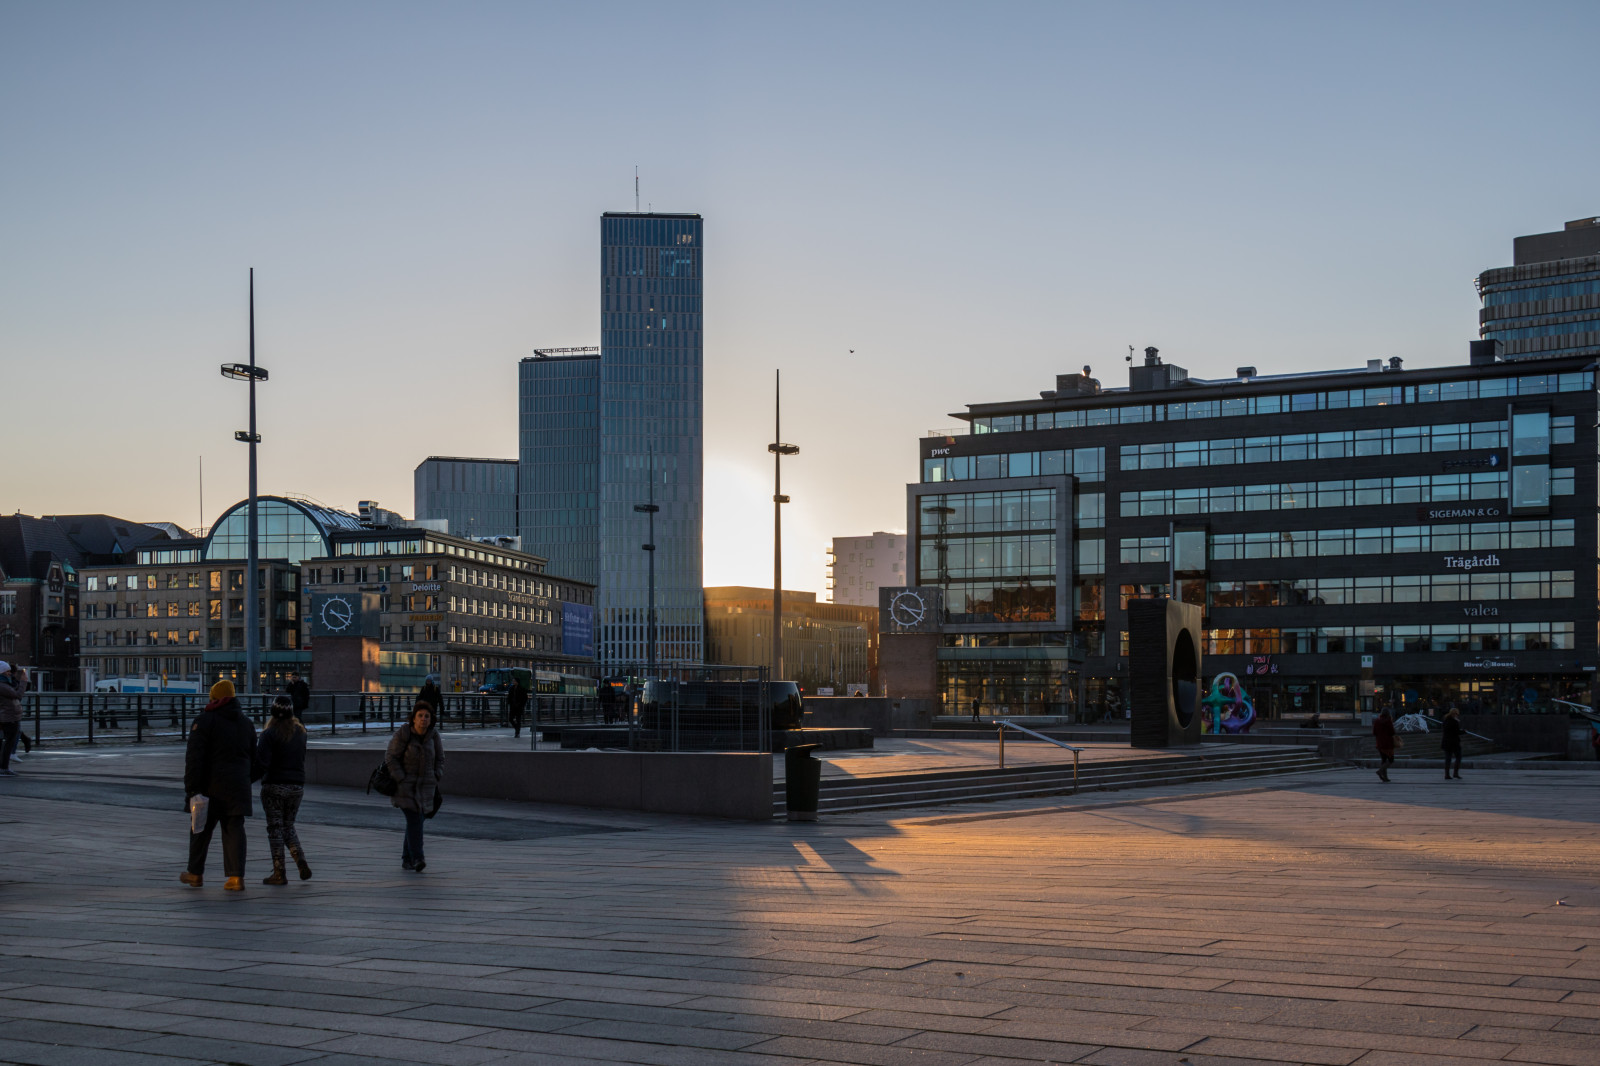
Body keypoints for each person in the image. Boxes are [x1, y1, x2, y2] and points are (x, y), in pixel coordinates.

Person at [181, 680, 260, 890]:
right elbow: (255, 758)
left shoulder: (205, 721)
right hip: (238, 786)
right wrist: (245, 779)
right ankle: (236, 878)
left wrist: (192, 789)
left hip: (210, 786)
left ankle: (195, 873)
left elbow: (194, 758)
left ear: (214, 698)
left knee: (200, 829)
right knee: (234, 830)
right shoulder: (246, 723)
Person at [256, 696, 312, 885]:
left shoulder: (268, 734)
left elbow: (262, 763)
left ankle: (279, 872)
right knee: (288, 825)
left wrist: (247, 779)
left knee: (275, 828)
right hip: (297, 786)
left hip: (274, 786)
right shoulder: (301, 733)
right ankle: (300, 859)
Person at [386, 701, 444, 872]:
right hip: (405, 788)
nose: (423, 719)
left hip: (426, 788)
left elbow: (440, 758)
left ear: (431, 719)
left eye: (427, 716)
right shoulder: (404, 734)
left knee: (416, 821)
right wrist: (400, 777)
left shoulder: (433, 736)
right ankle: (418, 857)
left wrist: (437, 774)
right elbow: (391, 757)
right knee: (414, 820)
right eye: (420, 716)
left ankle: (406, 858)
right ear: (413, 718)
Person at [0, 661, 22, 776]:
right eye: (7, 671)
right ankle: (3, 767)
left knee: (6, 742)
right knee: (9, 742)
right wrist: (24, 682)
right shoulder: (2, 685)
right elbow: (17, 695)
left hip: (8, 716)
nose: (9, 673)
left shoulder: (6, 683)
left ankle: (3, 766)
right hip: (8, 717)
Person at [1372, 706, 1397, 783]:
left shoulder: (1377, 721)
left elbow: (1374, 732)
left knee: (1384, 760)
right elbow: (1392, 732)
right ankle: (1380, 771)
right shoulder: (1388, 721)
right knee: (1391, 760)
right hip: (1388, 744)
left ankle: (1385, 777)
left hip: (1379, 743)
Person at [1441, 706, 1463, 781]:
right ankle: (1455, 773)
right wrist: (1464, 731)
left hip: (1446, 742)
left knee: (1448, 759)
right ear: (1455, 714)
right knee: (1458, 757)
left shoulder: (1446, 720)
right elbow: (1456, 732)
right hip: (1454, 742)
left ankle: (1447, 774)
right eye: (1457, 714)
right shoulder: (1454, 722)